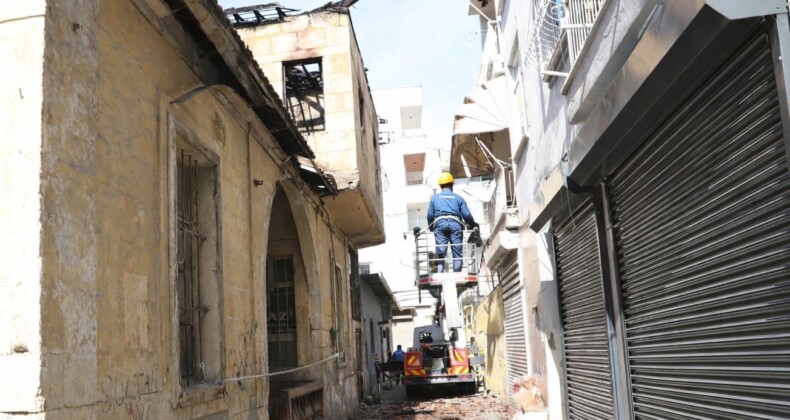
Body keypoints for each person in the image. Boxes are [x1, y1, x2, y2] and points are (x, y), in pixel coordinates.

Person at [427, 172, 478, 272]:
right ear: (452, 184)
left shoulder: (434, 199)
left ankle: (439, 273)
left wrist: (432, 228)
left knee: (441, 253)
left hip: (440, 225)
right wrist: (472, 225)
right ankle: (457, 273)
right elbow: (467, 216)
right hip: (455, 225)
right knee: (457, 253)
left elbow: (430, 216)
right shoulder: (458, 198)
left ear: (440, 186)